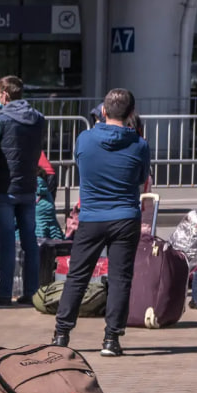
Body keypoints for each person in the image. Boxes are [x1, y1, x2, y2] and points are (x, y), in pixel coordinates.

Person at [52, 88, 150, 357]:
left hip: (92, 217)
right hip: (125, 217)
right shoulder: (139, 145)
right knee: (120, 279)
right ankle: (111, 339)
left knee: (78, 275)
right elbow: (142, 178)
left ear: (103, 112)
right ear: (131, 114)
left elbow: (81, 164)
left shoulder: (84, 139)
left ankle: (61, 333)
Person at [0, 75, 46, 306]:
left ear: (4, 94)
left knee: (7, 241)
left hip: (3, 187)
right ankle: (32, 292)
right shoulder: (38, 119)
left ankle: (5, 292)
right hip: (28, 186)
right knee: (30, 240)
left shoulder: (1, 119)